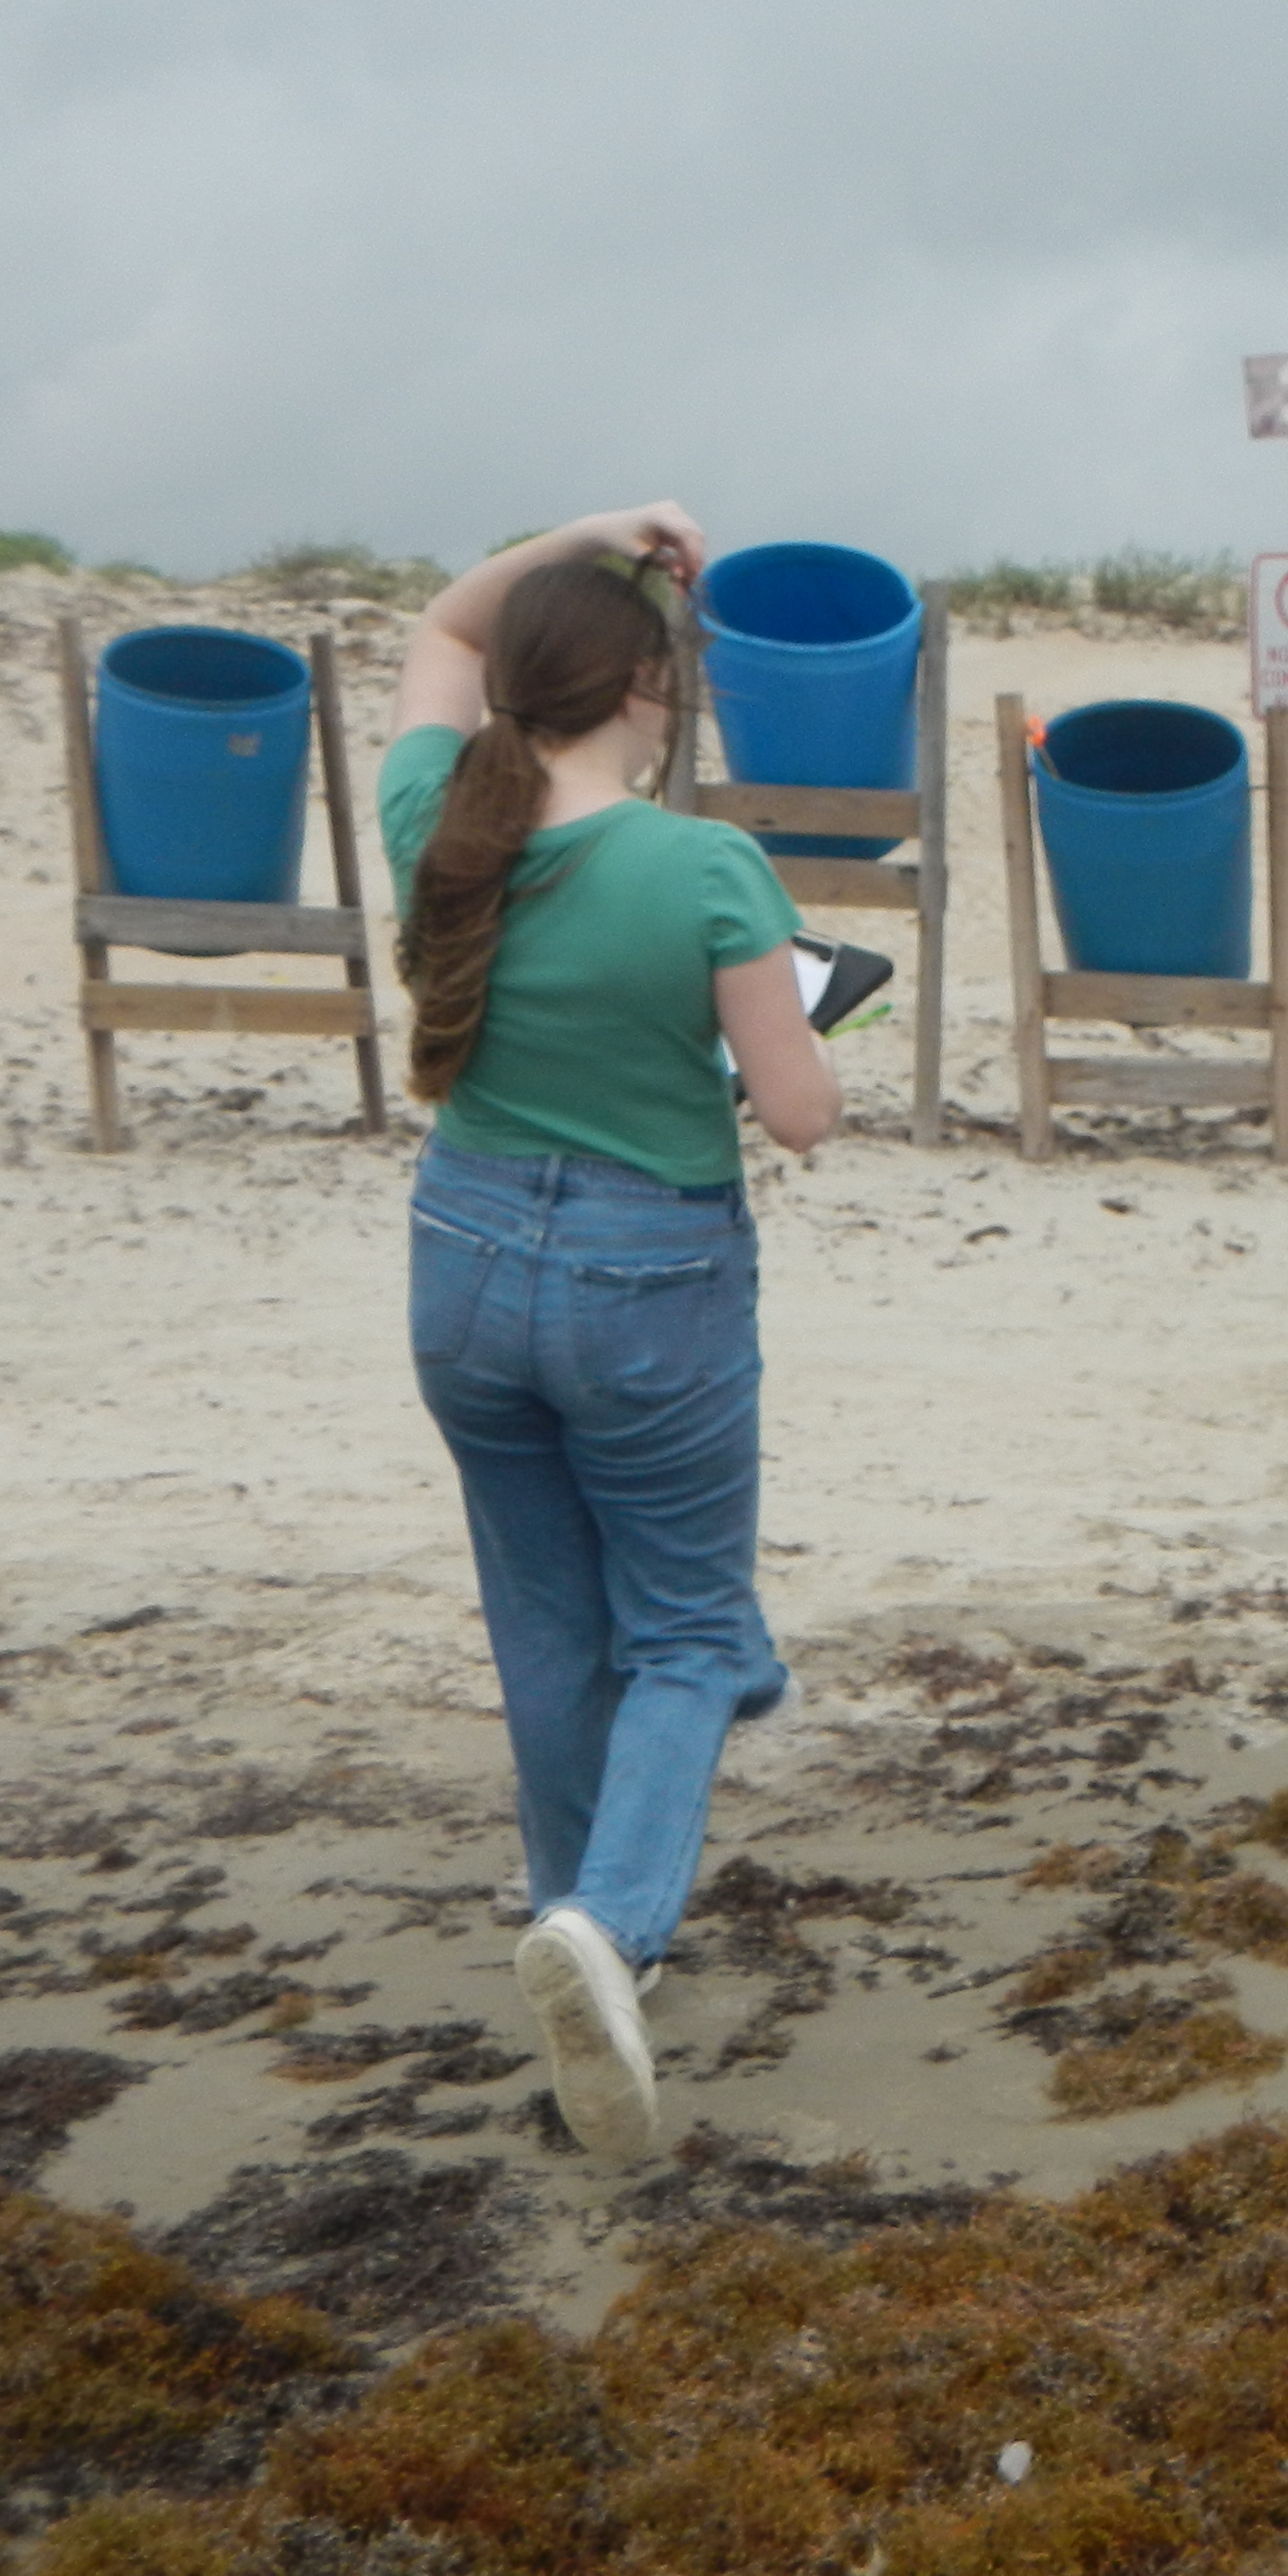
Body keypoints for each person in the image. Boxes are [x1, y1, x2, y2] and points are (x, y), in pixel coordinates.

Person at [383, 503, 843, 2158]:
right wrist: (797, 1017)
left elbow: (444, 629)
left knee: (546, 1619)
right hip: (646, 1275)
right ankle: (609, 1925)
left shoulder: (437, 816)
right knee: (693, 1632)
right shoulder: (704, 867)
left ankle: (571, 1915)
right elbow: (799, 1113)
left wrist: (589, 531)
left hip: (462, 1254)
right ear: (649, 691)